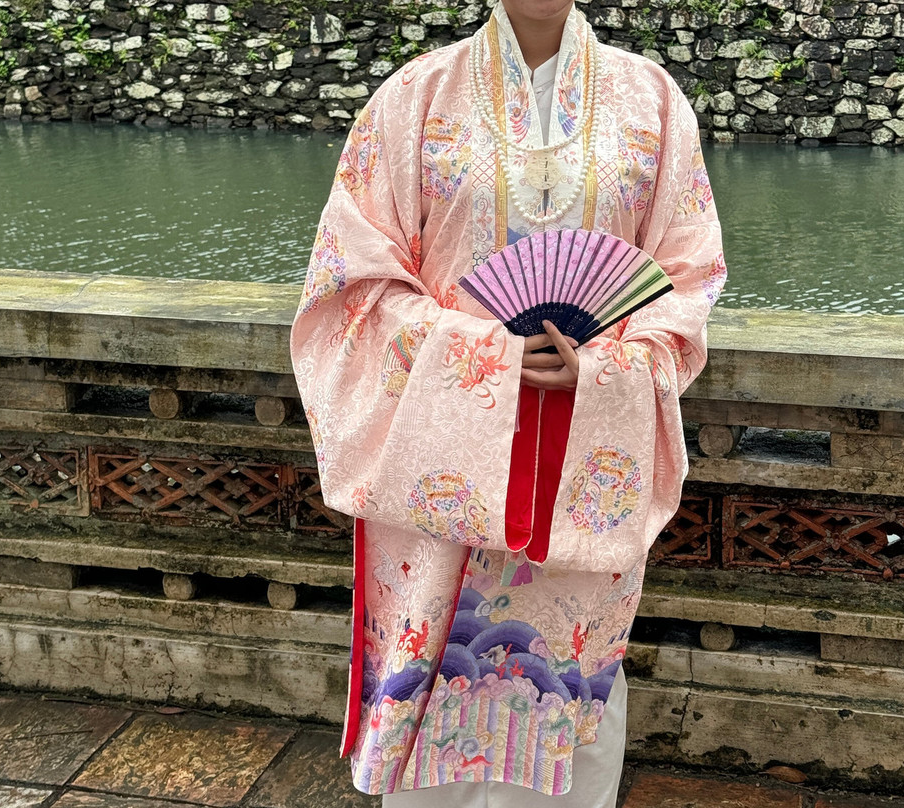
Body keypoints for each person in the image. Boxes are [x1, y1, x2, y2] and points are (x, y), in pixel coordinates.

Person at [288, 1, 727, 805]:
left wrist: (607, 367)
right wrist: (484, 354)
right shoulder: (414, 97)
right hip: (440, 458)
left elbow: (687, 280)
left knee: (569, 691)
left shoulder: (653, 102)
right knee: (433, 683)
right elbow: (352, 283)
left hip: (583, 454)